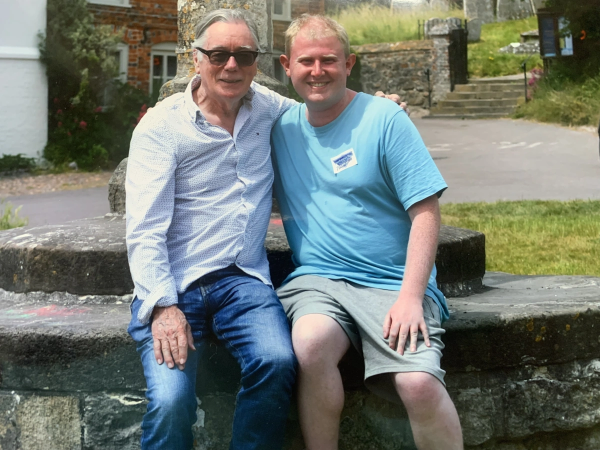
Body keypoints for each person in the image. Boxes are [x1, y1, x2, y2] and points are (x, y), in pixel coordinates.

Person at [270, 14, 464, 450]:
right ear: (286, 66)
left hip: (392, 281)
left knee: (417, 384)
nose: (317, 71)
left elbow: (426, 212)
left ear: (349, 63)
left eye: (328, 60)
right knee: (310, 343)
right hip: (319, 280)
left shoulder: (385, 118)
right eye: (306, 61)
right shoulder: (280, 127)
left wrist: (411, 297)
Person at [125, 9, 299, 450]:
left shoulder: (269, 108)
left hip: (242, 279)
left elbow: (325, 111)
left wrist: (376, 108)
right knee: (170, 401)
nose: (232, 66)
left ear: (257, 62)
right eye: (219, 54)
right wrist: (164, 307)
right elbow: (144, 230)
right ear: (196, 58)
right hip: (174, 283)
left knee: (278, 361)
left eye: (244, 55)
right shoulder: (162, 127)